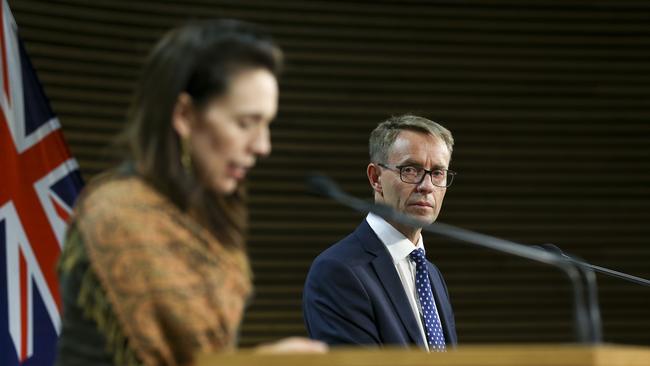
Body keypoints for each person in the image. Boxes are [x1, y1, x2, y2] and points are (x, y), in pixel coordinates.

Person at [56, 20, 325, 366]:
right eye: (245, 123)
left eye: (267, 124)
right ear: (184, 114)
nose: (263, 146)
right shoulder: (117, 214)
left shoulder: (210, 213)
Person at [303, 115, 458, 351]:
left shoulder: (431, 273)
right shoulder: (338, 270)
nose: (427, 186)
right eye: (410, 170)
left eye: (437, 173)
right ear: (375, 178)